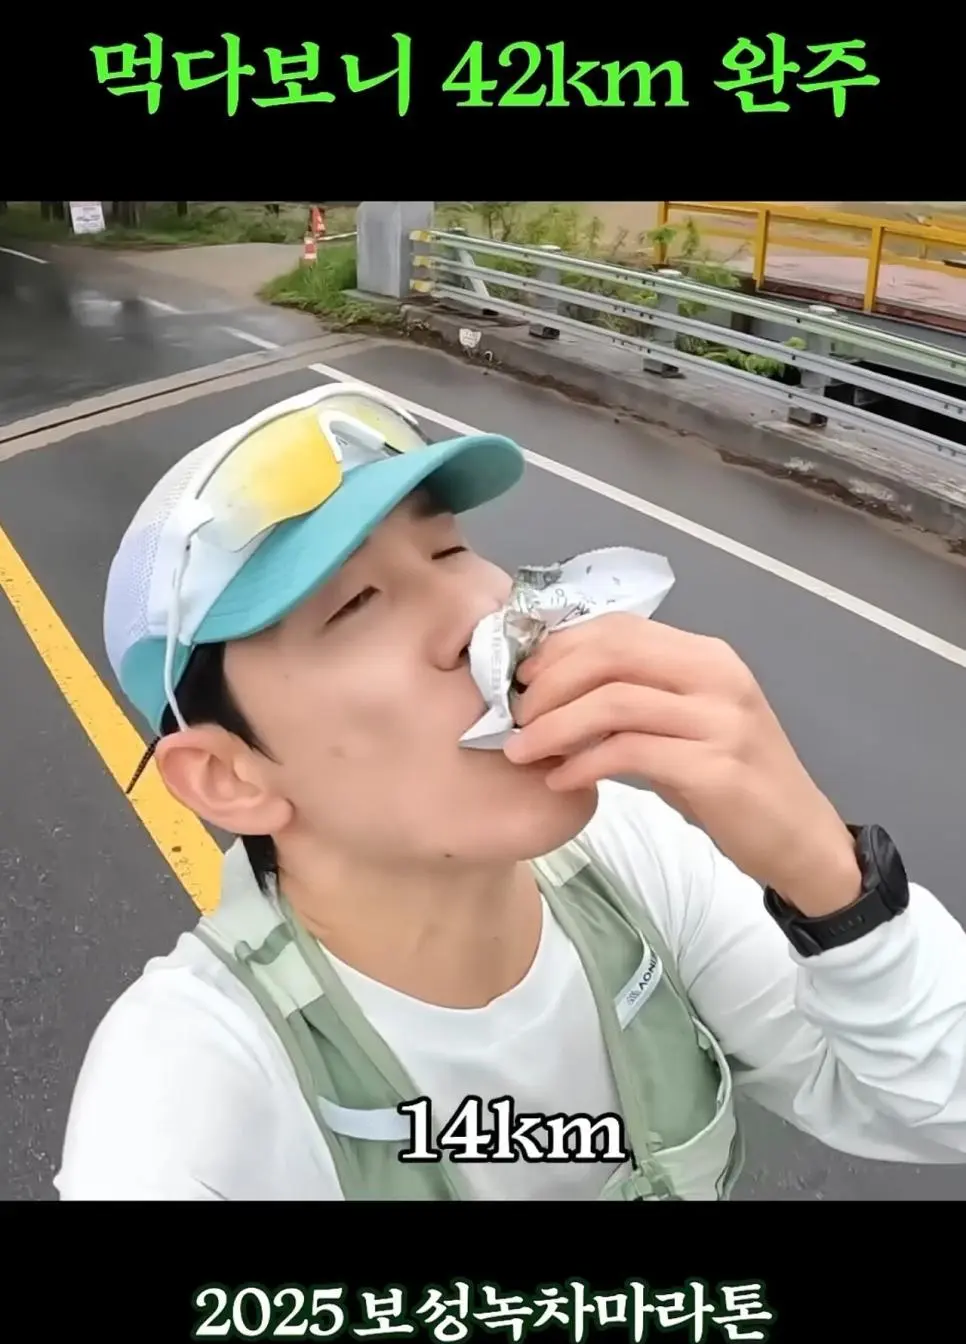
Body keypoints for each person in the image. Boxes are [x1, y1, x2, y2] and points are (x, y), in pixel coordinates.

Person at [56, 381, 966, 1201]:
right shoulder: (182, 1097)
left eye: (449, 549)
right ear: (227, 778)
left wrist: (824, 873)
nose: (482, 615)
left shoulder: (629, 854)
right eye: (355, 604)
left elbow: (940, 1111)